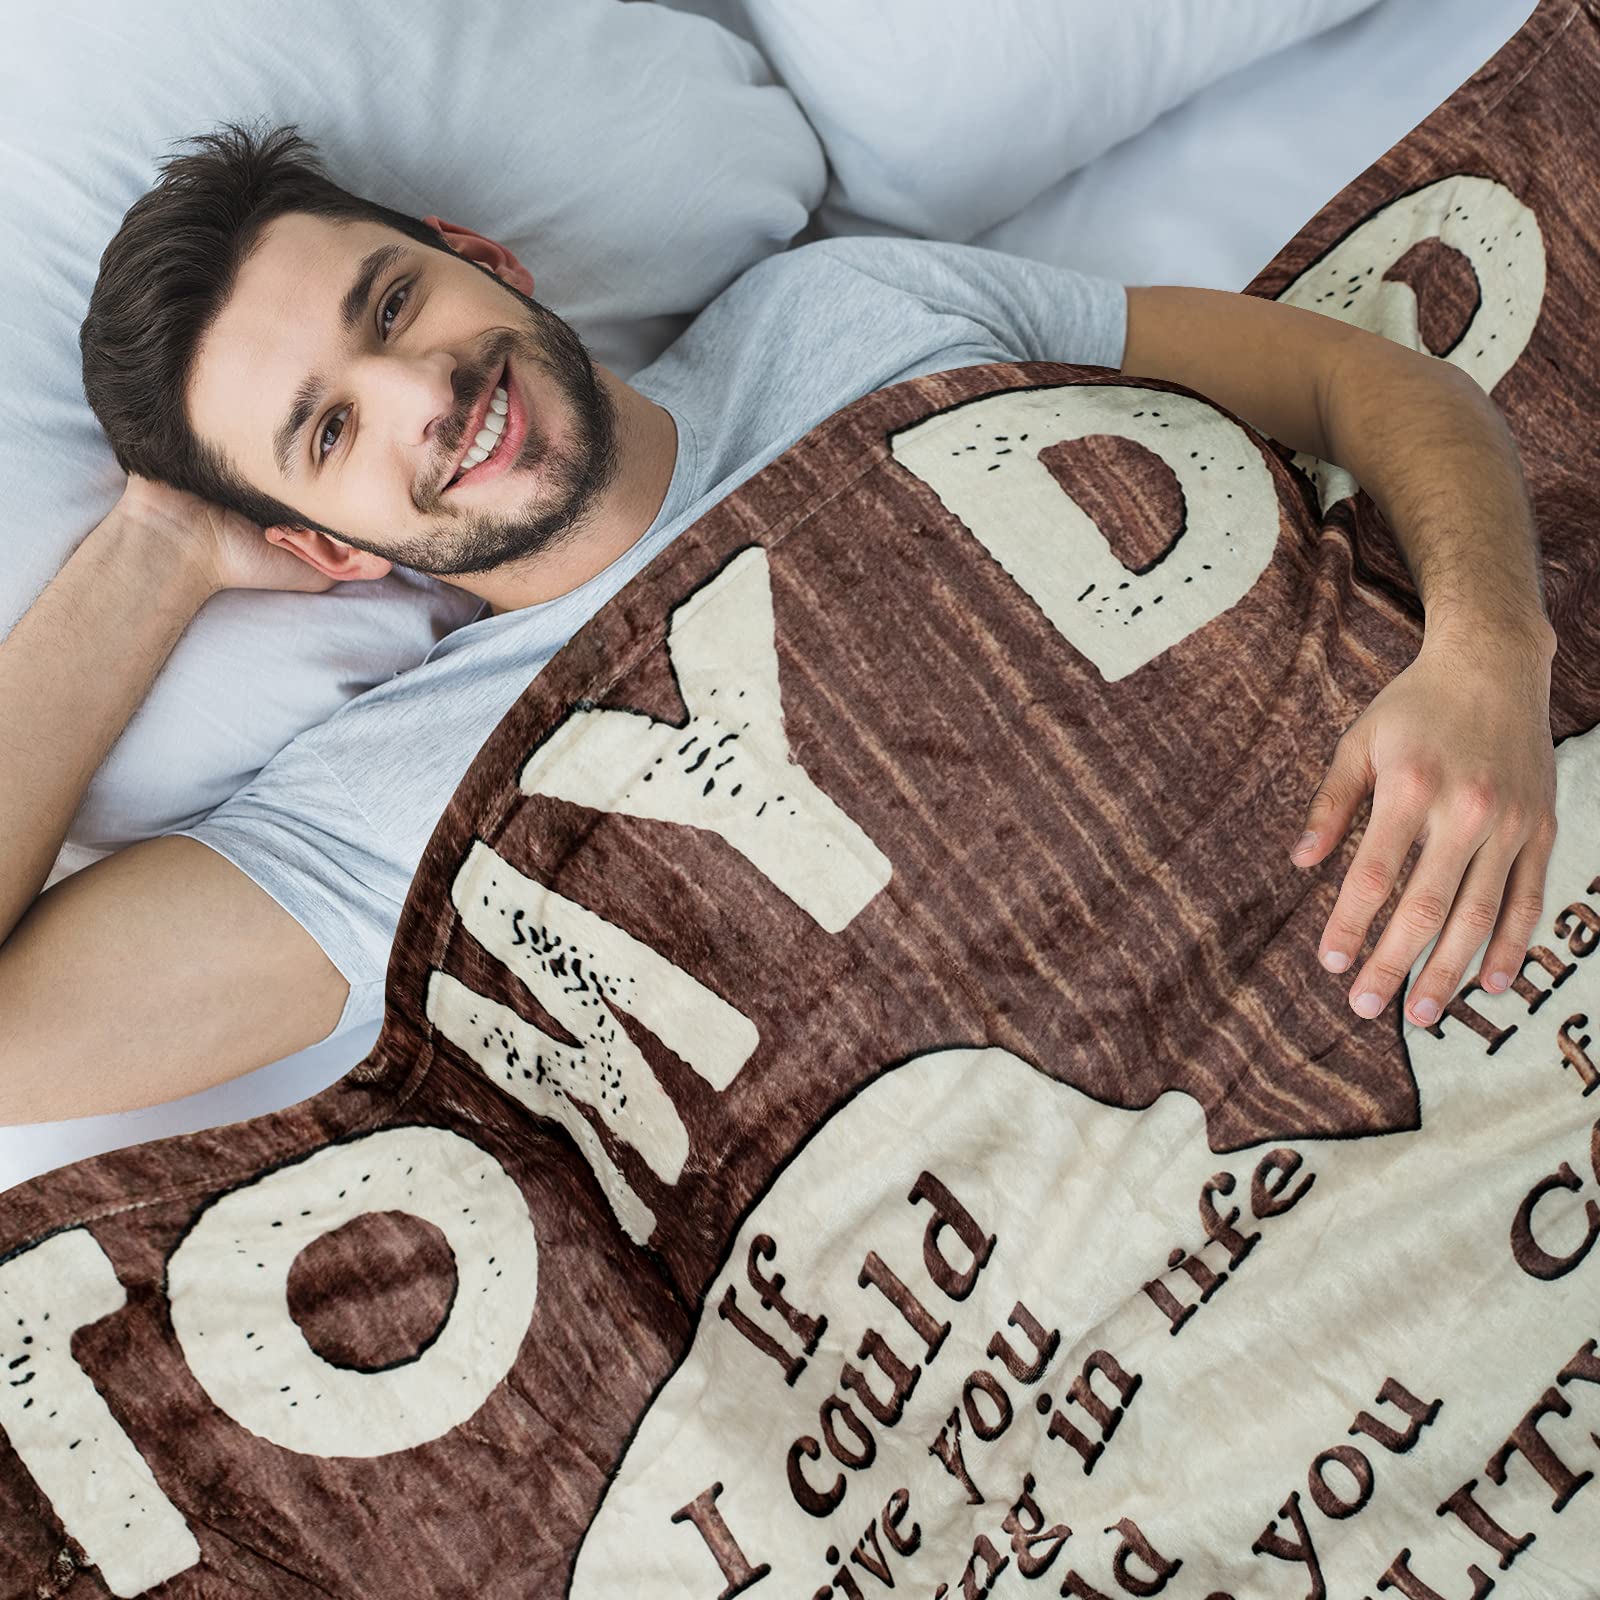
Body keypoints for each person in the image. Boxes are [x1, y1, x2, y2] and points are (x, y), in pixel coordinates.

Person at [0, 122, 1558, 1126]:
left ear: (481, 258)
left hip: (1443, 904)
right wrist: (152, 553)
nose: (424, 399)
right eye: (328, 434)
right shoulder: (389, 806)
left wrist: (1487, 652)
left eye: (394, 307)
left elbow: (1351, 377)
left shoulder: (845, 311)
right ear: (321, 550)